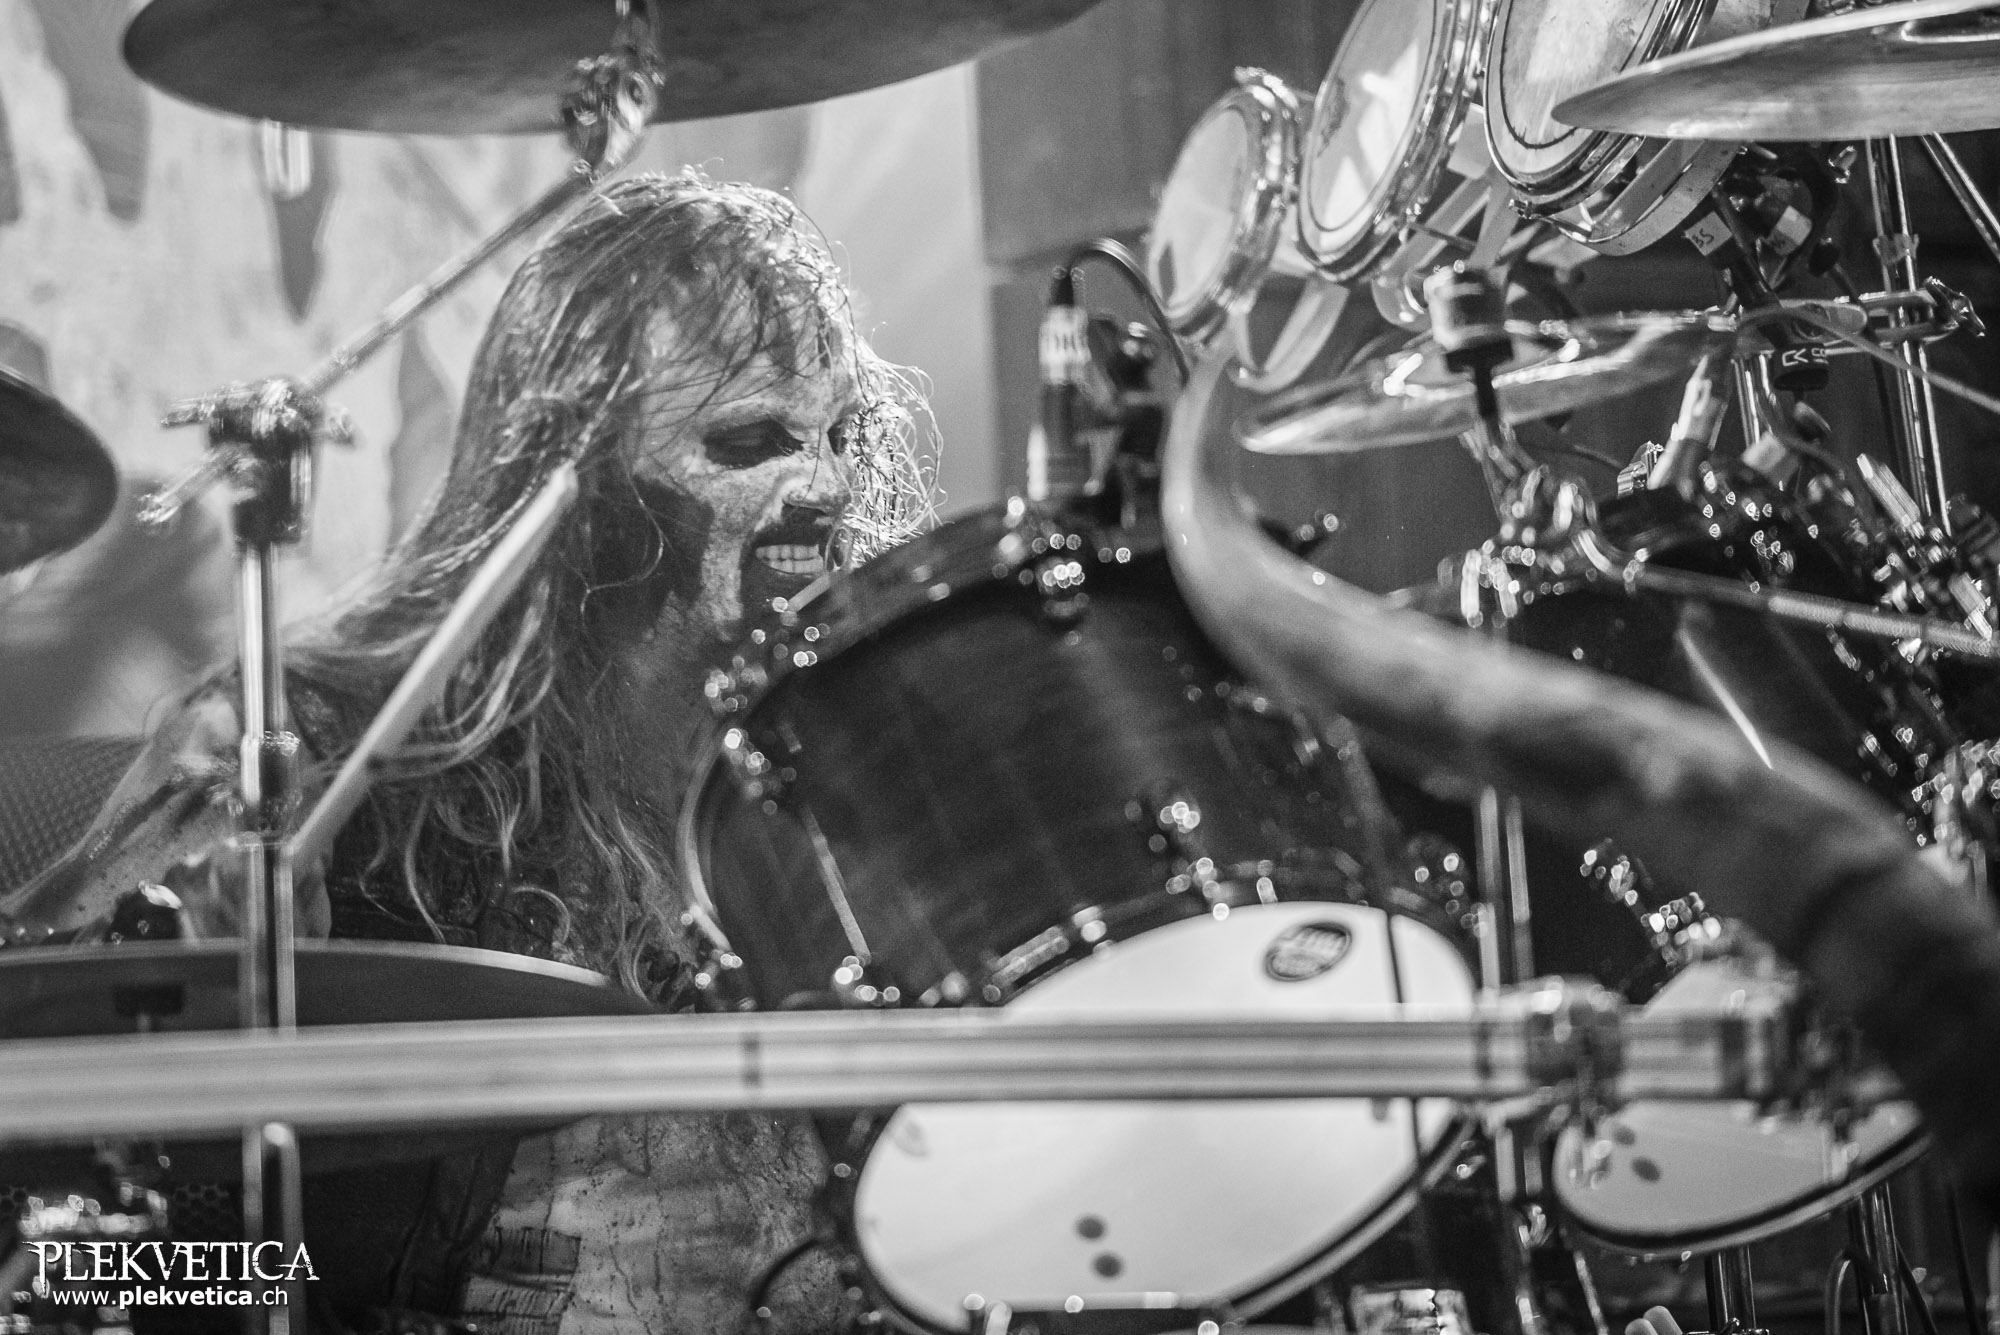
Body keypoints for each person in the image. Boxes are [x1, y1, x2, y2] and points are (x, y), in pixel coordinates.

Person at [3, 170, 938, 1335]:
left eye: (842, 435)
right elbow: (74, 1232)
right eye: (749, 441)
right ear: (576, 470)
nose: (826, 485)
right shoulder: (326, 745)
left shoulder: (843, 743)